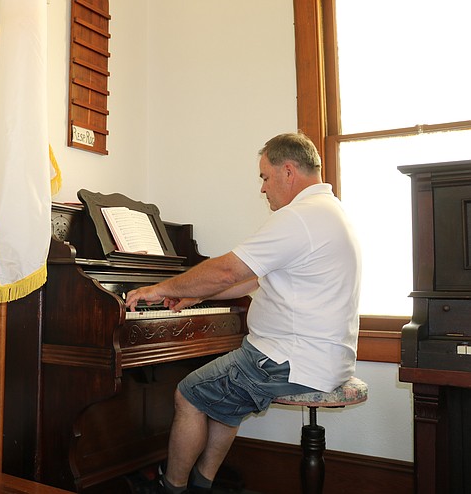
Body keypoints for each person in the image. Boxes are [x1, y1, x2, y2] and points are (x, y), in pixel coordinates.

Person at [125, 132, 361, 494]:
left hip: (288, 361)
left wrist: (161, 288)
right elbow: (250, 279)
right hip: (321, 356)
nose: (263, 189)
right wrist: (195, 298)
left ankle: (170, 488)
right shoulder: (329, 212)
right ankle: (203, 484)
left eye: (264, 177)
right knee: (224, 401)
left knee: (188, 393)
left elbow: (227, 271)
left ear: (287, 171)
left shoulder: (299, 218)